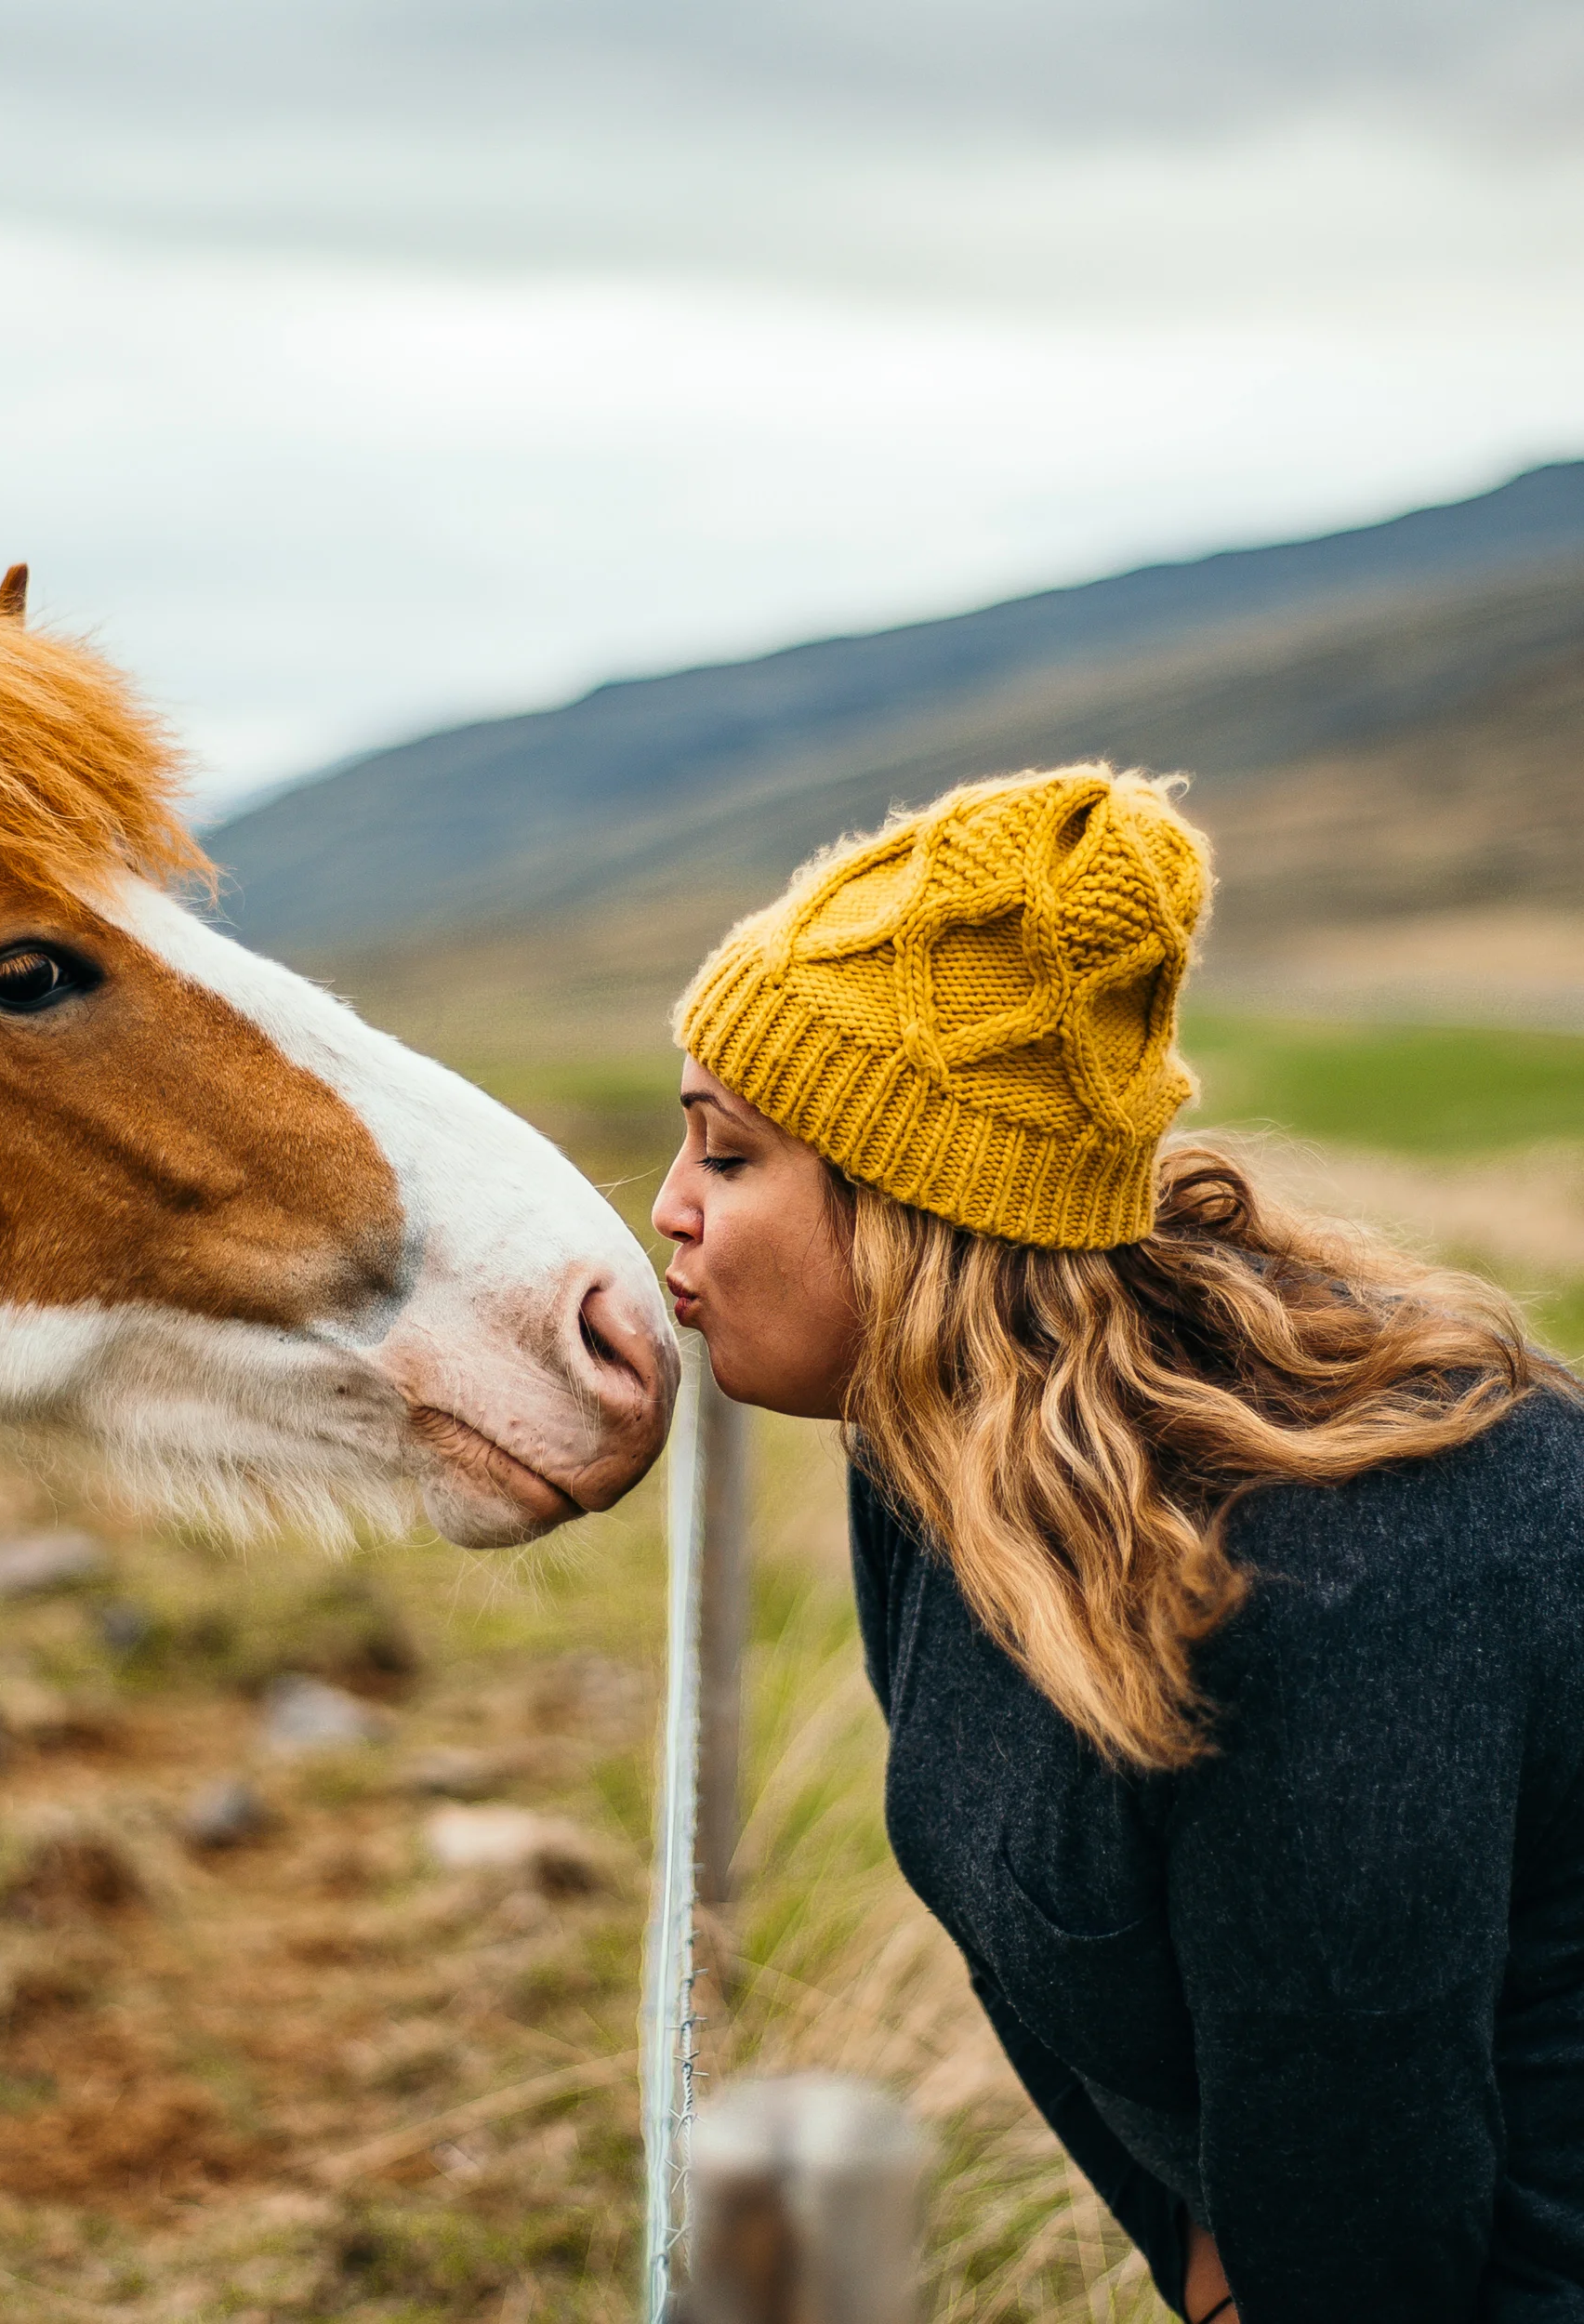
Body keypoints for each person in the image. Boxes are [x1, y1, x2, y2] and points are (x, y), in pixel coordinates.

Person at [650, 764, 1584, 2324]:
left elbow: (1375, 2211)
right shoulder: (947, 1471)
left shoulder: (1335, 1574)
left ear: (916, 1208)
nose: (670, 1210)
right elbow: (1023, 1924)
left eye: (728, 1154)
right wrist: (1204, 2247)